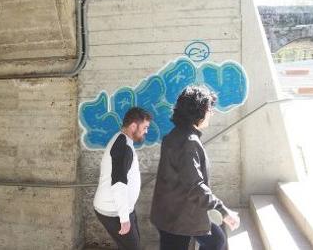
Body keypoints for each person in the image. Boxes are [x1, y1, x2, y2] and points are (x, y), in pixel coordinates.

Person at [150, 86, 239, 250]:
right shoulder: (188, 142)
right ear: (199, 111)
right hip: (177, 218)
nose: (211, 113)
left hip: (177, 212)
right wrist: (223, 210)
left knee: (216, 240)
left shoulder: (176, 135)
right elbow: (195, 186)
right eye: (209, 109)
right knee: (216, 241)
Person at [93, 107, 152, 250]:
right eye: (144, 127)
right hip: (113, 211)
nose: (146, 131)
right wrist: (124, 219)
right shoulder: (123, 146)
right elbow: (119, 184)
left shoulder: (122, 140)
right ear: (133, 126)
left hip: (119, 208)